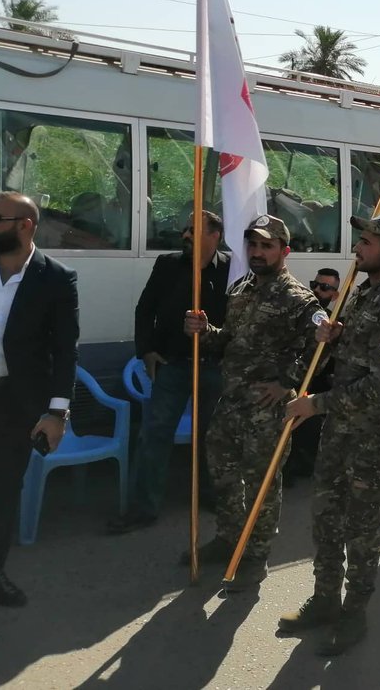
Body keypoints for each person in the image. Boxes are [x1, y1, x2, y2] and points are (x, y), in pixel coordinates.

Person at [278, 214, 380, 655]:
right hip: (340, 430)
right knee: (327, 517)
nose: (357, 248)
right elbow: (354, 355)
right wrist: (335, 336)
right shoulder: (363, 293)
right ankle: (324, 599)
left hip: (370, 435)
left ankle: (354, 613)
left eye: (366, 242)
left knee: (362, 527)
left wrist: (315, 404)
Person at [182, 214, 321, 591]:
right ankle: (228, 538)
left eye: (267, 246)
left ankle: (255, 555)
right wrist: (204, 331)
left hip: (267, 408)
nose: (257, 252)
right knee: (223, 473)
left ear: (284, 251)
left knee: (262, 483)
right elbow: (230, 340)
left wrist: (286, 382)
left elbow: (318, 350)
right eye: (253, 245)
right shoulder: (240, 288)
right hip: (233, 401)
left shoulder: (298, 299)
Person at [108, 212, 231, 534]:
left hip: (215, 368)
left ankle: (210, 495)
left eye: (194, 230)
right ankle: (142, 508)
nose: (186, 235)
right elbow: (144, 309)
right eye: (185, 230)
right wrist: (146, 350)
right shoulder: (167, 265)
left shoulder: (234, 269)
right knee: (154, 435)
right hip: (173, 365)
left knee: (214, 438)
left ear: (215, 235)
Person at [0, 192, 79, 607]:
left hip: (13, 401)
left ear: (24, 225)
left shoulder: (56, 278)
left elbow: (65, 351)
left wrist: (56, 413)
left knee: (2, 491)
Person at [285, 268, 338, 483]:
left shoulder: (336, 323)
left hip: (321, 393)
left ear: (334, 295)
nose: (317, 290)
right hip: (296, 383)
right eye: (314, 285)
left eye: (324, 288)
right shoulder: (300, 315)